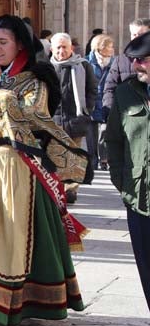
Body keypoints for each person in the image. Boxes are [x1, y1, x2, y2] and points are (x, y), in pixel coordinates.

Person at [0, 15, 87, 326]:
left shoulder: (34, 79)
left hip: (20, 169)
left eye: (3, 42)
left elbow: (28, 117)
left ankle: (17, 305)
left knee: (14, 241)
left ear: (19, 45)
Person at [105, 31, 150, 326]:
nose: (137, 65)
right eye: (134, 60)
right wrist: (123, 185)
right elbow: (114, 141)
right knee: (146, 263)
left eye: (143, 60)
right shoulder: (125, 93)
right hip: (139, 196)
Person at [50, 32, 97, 203]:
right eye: (58, 47)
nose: (61, 51)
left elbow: (92, 89)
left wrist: (86, 110)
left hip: (76, 119)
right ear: (52, 49)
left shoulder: (83, 66)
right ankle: (58, 188)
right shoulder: (47, 68)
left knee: (73, 156)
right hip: (53, 121)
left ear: (71, 48)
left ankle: (70, 189)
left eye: (64, 47)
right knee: (56, 156)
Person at [102, 18, 150, 115]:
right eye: (134, 34)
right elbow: (110, 88)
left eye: (140, 35)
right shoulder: (121, 60)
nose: (136, 38)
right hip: (128, 114)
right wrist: (112, 114)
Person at [87, 33, 115, 170]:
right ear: (100, 48)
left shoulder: (114, 62)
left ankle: (104, 158)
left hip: (107, 101)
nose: (112, 49)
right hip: (92, 101)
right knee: (91, 134)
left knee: (105, 131)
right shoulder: (87, 62)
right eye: (110, 47)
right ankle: (92, 160)